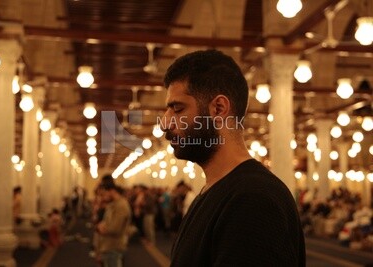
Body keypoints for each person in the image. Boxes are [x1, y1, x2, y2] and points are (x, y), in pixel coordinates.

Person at [160, 49, 306, 266]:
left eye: (178, 109)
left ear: (218, 108)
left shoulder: (253, 200)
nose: (165, 123)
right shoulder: (214, 191)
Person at [96, 182, 132, 267]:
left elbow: (115, 228)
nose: (103, 197)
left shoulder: (121, 206)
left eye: (104, 194)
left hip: (114, 246)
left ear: (112, 191)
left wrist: (100, 228)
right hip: (108, 245)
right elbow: (106, 221)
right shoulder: (114, 204)